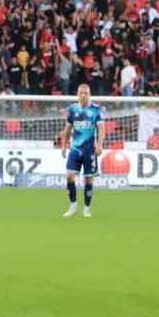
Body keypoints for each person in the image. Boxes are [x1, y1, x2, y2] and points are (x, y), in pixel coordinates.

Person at [59, 83, 103, 218]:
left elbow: (101, 128)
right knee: (69, 176)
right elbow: (67, 129)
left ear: (89, 94)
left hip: (90, 150)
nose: (83, 95)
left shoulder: (96, 109)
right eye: (81, 93)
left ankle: (86, 209)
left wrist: (100, 145)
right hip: (75, 149)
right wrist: (64, 145)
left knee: (88, 180)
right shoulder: (72, 109)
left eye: (86, 93)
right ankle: (72, 207)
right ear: (78, 95)